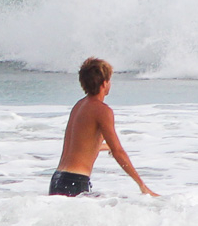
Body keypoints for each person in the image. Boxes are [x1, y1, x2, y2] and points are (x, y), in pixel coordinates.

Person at [50, 57, 157, 197]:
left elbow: (80, 146)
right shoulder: (102, 110)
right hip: (75, 181)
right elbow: (118, 152)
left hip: (58, 179)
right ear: (104, 83)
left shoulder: (79, 106)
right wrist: (142, 185)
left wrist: (106, 146)